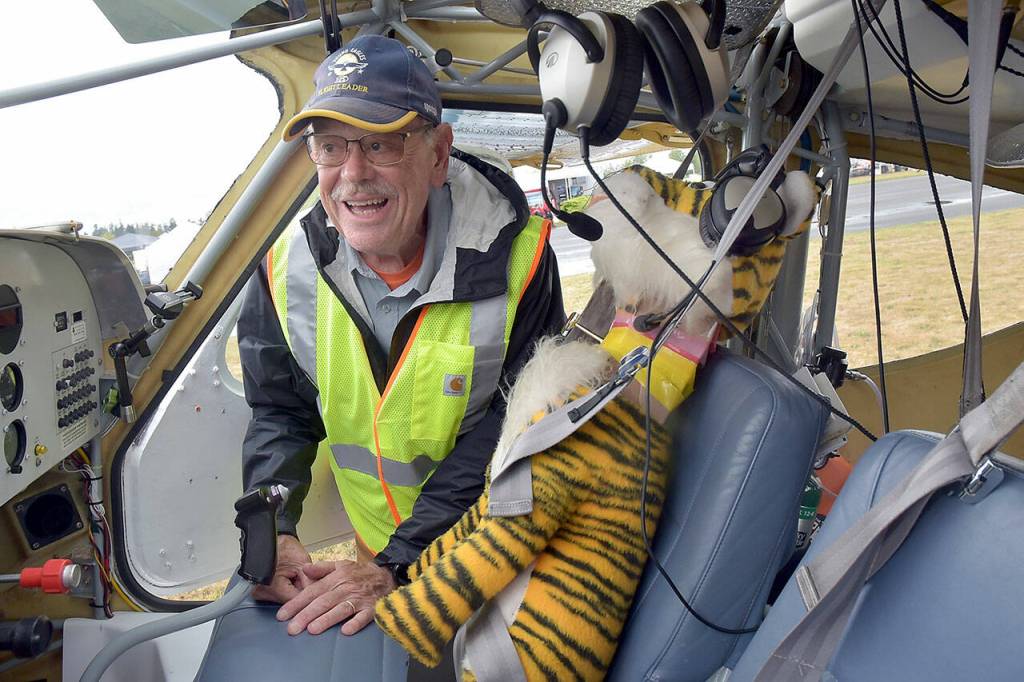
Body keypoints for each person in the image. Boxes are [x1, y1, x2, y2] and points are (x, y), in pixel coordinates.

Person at [237, 35, 565, 639]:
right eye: (329, 146)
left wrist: (403, 562)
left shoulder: (523, 261)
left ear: (438, 153)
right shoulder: (283, 271)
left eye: (381, 143)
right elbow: (280, 411)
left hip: (489, 551)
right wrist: (275, 530)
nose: (352, 174)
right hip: (378, 554)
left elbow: (514, 430)